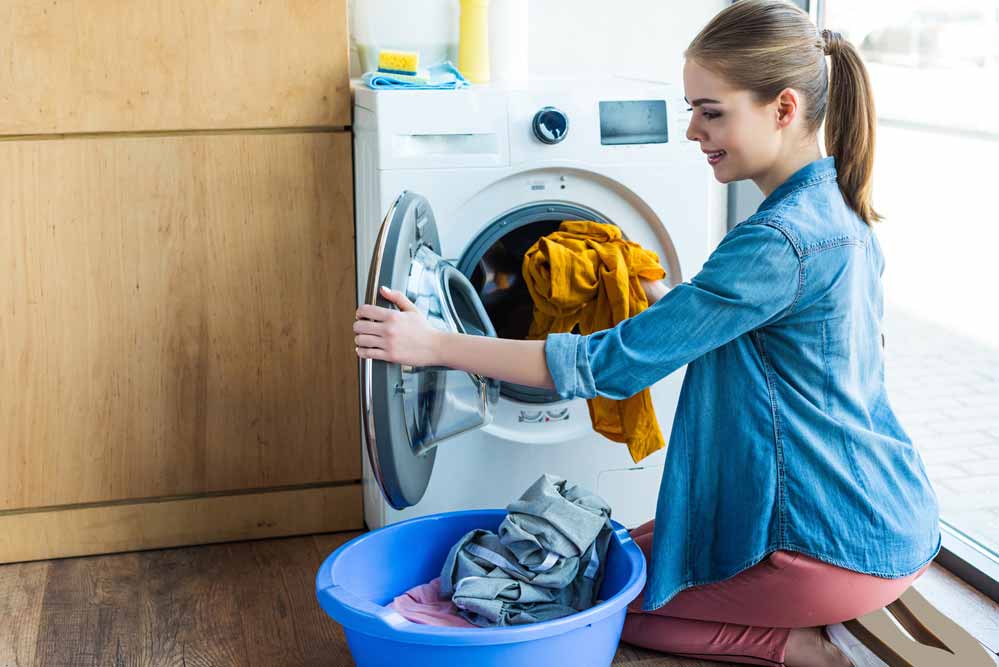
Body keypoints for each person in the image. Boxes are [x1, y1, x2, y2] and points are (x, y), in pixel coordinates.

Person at [353, 1, 941, 664]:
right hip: (888, 515)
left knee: (592, 602)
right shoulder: (830, 208)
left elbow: (605, 366)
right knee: (616, 556)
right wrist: (667, 300)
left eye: (711, 111)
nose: (692, 129)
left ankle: (801, 646)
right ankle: (803, 617)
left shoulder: (775, 240)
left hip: (824, 542)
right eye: (690, 107)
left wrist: (432, 345)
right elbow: (779, 334)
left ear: (782, 109)